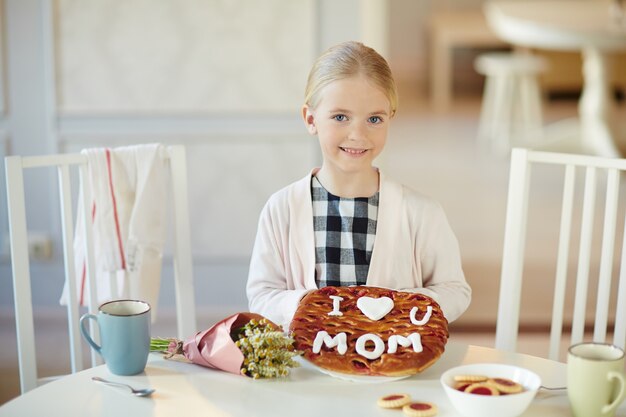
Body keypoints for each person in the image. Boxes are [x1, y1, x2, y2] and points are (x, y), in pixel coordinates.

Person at [246, 41, 471, 330]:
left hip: (394, 371)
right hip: (306, 369)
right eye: (340, 117)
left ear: (390, 118)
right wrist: (315, 306)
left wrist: (398, 306)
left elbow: (455, 289)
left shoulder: (421, 212)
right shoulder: (282, 209)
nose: (357, 134)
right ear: (311, 119)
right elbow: (262, 294)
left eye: (374, 119)